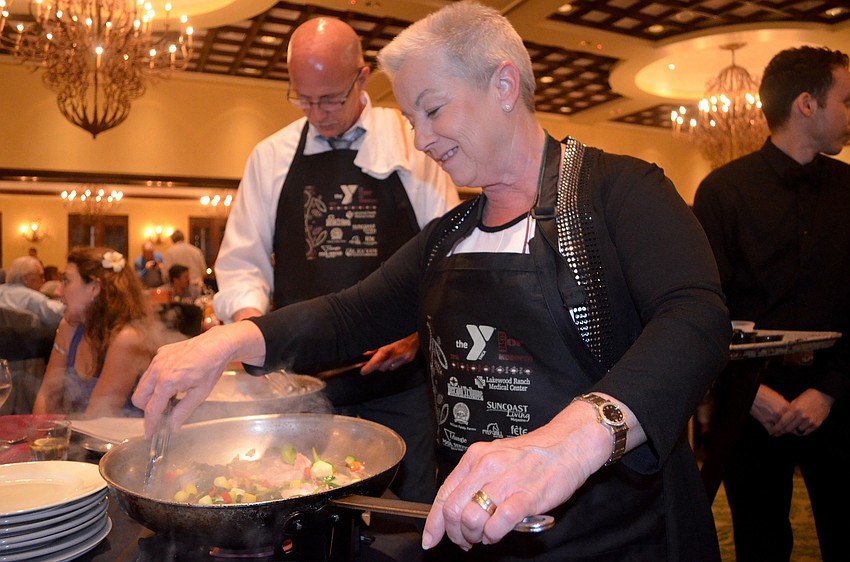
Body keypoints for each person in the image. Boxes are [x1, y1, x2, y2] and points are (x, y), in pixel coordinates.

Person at [133, 2, 730, 559]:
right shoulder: (448, 238)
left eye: (433, 109)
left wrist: (569, 444)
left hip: (617, 535)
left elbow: (696, 319)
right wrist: (229, 341)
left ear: (503, 86)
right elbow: (348, 315)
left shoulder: (621, 193)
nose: (420, 139)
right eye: (411, 118)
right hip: (475, 531)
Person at [210, 16, 459, 504]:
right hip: (302, 387)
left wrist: (418, 329)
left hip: (398, 383)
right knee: (303, 506)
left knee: (404, 517)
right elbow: (242, 263)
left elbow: (448, 256)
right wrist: (249, 323)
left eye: (329, 99)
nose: (317, 113)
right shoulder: (271, 156)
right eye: (303, 99)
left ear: (362, 78)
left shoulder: (414, 144)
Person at [692, 46, 850, 562]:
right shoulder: (722, 191)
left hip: (838, 395)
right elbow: (702, 309)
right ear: (807, 104)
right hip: (749, 401)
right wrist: (748, 392)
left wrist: (827, 392)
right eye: (847, 101)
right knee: (760, 546)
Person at [33, 247, 162, 418]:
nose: (57, 291)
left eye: (66, 281)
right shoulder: (69, 327)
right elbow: (47, 395)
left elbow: (97, 417)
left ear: (95, 287)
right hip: (85, 431)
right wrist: (38, 433)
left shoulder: (126, 339)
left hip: (126, 434)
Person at [0, 255, 64, 328]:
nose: (44, 280)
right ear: (25, 278)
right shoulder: (31, 298)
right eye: (41, 276)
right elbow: (61, 313)